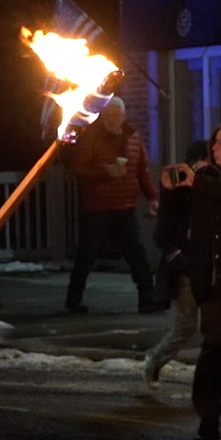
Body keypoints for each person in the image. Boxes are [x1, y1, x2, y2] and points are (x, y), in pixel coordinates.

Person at [171, 118, 221, 440]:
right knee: (216, 343)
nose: (215, 148)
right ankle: (208, 415)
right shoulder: (206, 178)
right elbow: (174, 219)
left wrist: (198, 182)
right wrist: (172, 189)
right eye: (214, 143)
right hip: (214, 281)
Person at [65, 99, 161, 315]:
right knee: (87, 253)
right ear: (102, 116)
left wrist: (152, 197)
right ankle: (73, 300)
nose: (114, 119)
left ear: (124, 116)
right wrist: (105, 171)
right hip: (97, 205)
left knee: (136, 252)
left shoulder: (133, 137)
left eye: (117, 115)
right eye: (109, 115)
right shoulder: (91, 137)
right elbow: (79, 168)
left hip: (125, 204)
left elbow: (142, 170)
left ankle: (147, 298)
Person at [145, 140, 211, 386]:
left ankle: (210, 377)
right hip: (187, 268)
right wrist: (180, 260)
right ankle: (155, 360)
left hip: (213, 264)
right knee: (186, 325)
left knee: (217, 328)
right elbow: (162, 234)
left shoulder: (214, 184)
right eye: (199, 165)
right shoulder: (177, 186)